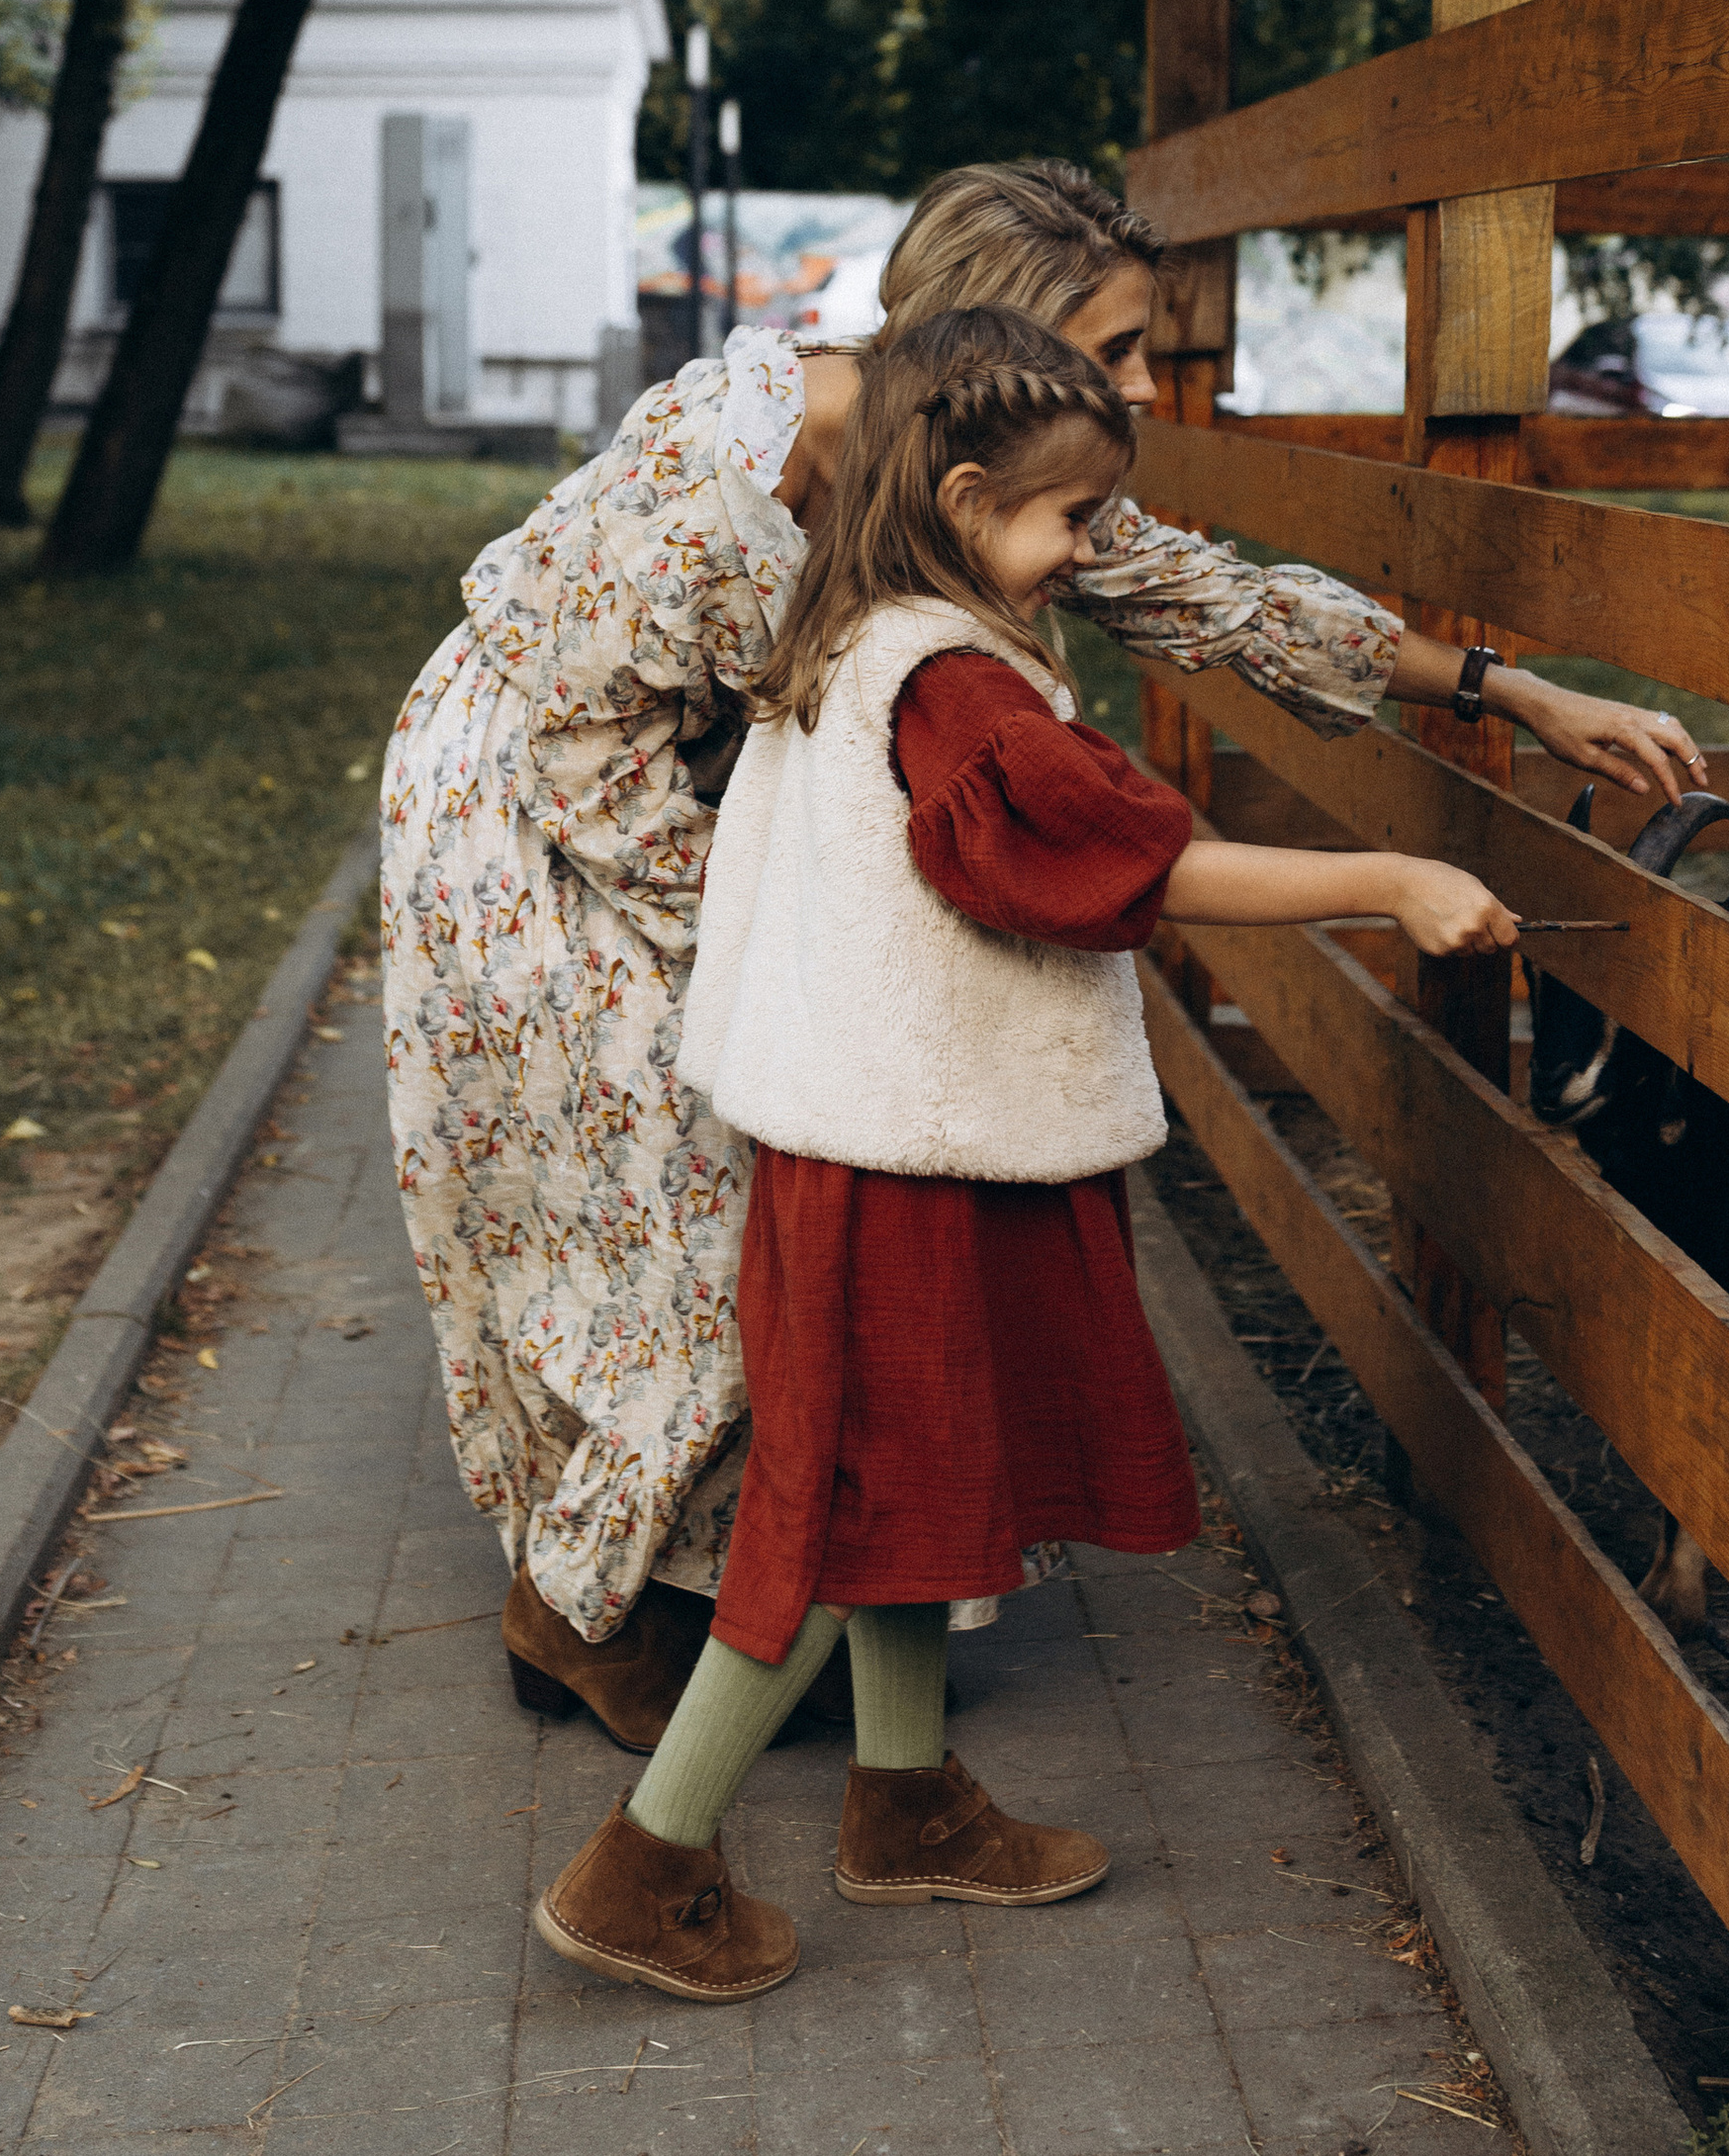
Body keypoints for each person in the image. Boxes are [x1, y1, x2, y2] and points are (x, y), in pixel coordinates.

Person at [381, 158, 1702, 1753]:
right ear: (996, 329)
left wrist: (1511, 689)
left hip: (685, 809)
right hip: (530, 811)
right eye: (1125, 342)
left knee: (746, 1204)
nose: (1150, 382)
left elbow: (1223, 603)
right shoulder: (768, 449)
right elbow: (573, 729)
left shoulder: (982, 466)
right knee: (695, 1208)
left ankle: (708, 1608)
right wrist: (771, 924)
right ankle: (596, 1617)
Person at [534, 308, 1525, 2002]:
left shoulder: (859, 628)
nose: (1088, 553)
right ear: (970, 491)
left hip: (887, 1145)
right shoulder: (951, 684)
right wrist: (1390, 877)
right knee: (843, 1514)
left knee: (913, 1476)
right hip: (894, 1166)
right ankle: (650, 1865)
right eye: (1070, 520)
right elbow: (1127, 858)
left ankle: (907, 1803)